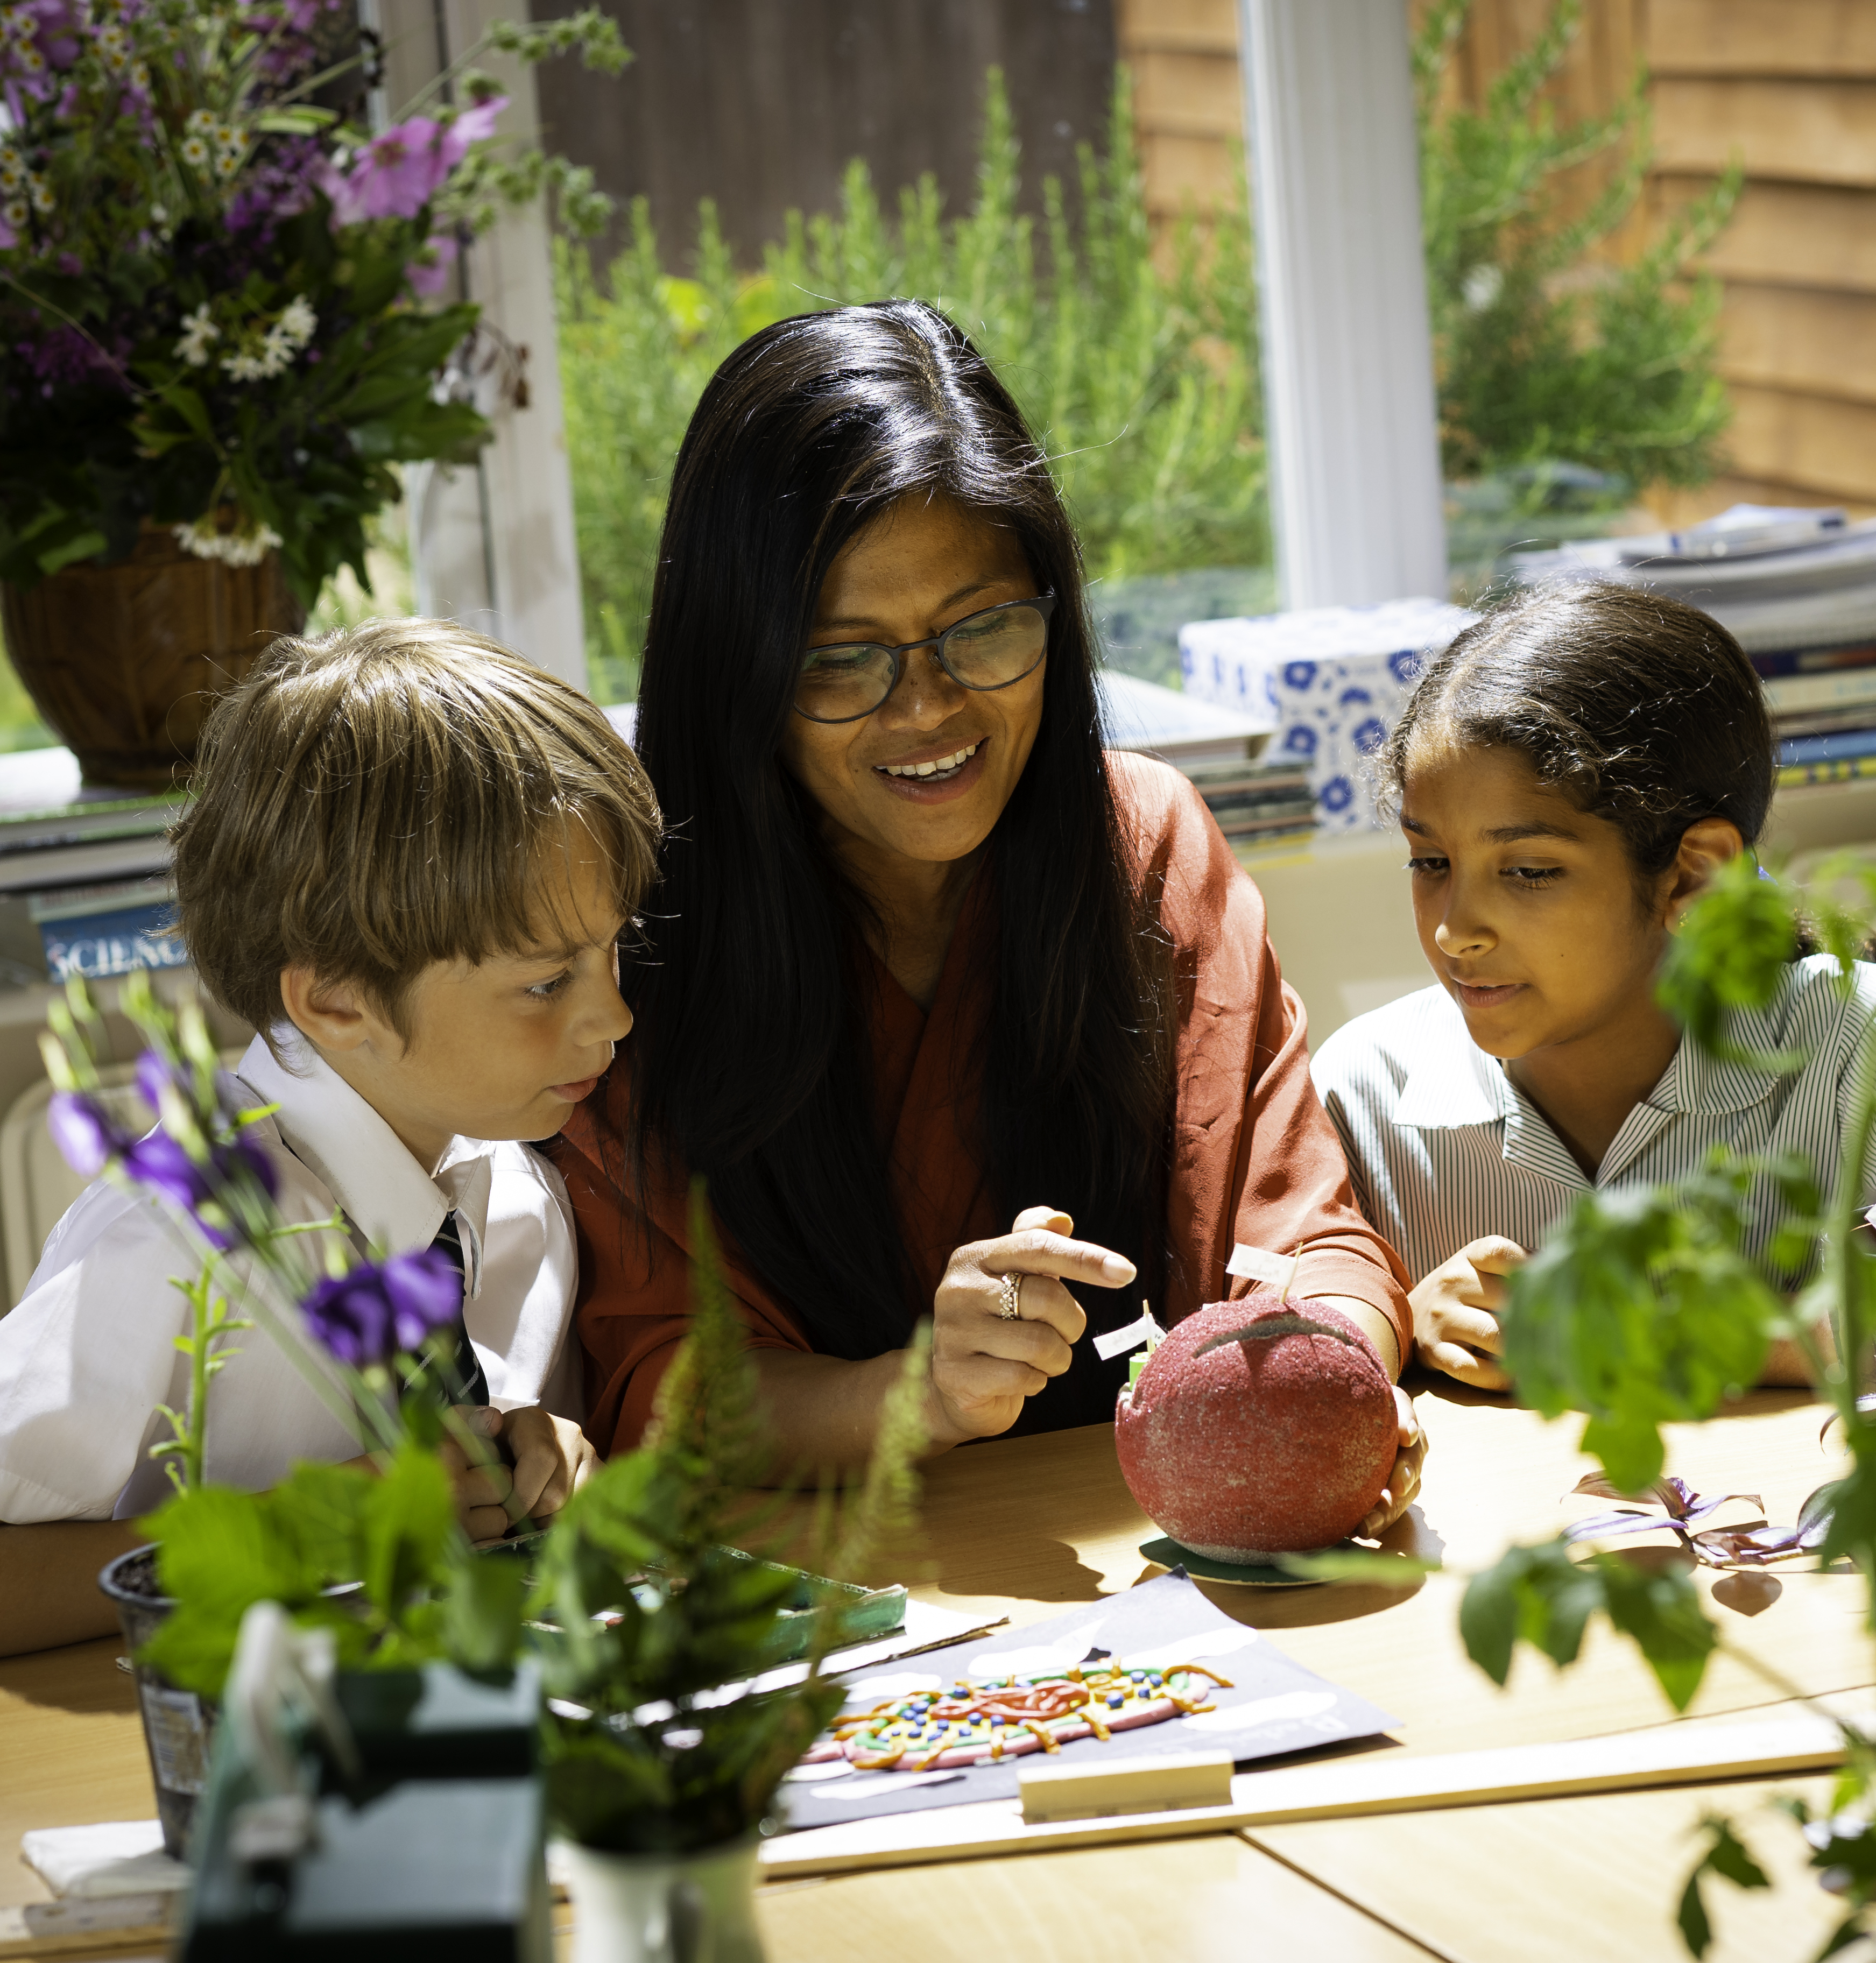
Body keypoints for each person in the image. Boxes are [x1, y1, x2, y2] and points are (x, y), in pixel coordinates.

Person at [554, 300, 1421, 1524]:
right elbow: (663, 1383)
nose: (929, 708)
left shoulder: (1146, 841)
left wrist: (1333, 1385)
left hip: (1158, 1548)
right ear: (734, 669)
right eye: (842, 658)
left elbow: (1309, 1237)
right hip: (823, 1589)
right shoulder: (634, 934)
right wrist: (912, 1394)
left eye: (985, 630)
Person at [0, 620, 659, 1670]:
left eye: (614, 951)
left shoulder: (510, 1192)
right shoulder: (186, 1235)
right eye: (545, 980)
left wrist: (529, 1459)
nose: (611, 1016)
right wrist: (322, 1524)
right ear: (338, 1002)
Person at [1311, 581, 1876, 1392]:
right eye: (1430, 862)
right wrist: (1393, 1321)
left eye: (1528, 871)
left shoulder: (1850, 1035)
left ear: (1695, 875)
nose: (1456, 930)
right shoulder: (1363, 1088)